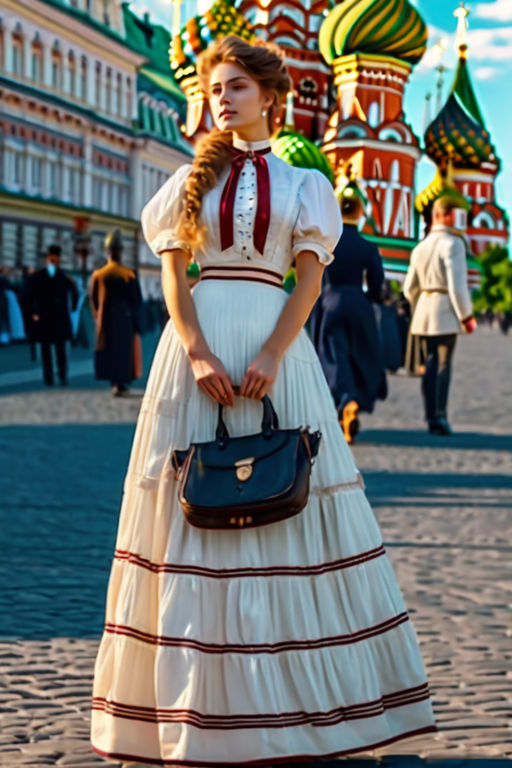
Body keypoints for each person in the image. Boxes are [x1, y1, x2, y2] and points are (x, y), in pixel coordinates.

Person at [90, 35, 435, 767]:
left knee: (289, 507)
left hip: (277, 349)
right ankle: (194, 713)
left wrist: (276, 351)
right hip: (199, 351)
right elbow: (176, 280)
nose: (223, 97)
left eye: (238, 86)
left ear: (271, 97)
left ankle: (286, 711)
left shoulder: (304, 185)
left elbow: (307, 281)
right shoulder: (186, 179)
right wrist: (195, 350)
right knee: (190, 511)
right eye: (218, 87)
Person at [311, 183, 387, 444]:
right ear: (360, 211)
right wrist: (372, 298)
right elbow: (377, 282)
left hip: (330, 301)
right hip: (359, 303)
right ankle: (354, 401)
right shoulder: (368, 247)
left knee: (334, 355)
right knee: (359, 355)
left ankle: (345, 401)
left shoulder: (329, 242)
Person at [403, 195, 476, 435]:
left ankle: (429, 414)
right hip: (444, 309)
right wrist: (466, 315)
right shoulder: (453, 244)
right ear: (443, 215)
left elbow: (408, 288)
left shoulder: (420, 247)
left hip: (423, 310)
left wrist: (419, 304)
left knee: (429, 364)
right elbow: (457, 286)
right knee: (444, 365)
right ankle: (440, 416)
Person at [90, 228, 143, 397]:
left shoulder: (99, 274)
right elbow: (137, 300)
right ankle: (122, 383)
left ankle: (115, 382)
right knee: (124, 352)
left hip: (106, 320)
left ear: (108, 253)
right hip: (125, 320)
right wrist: (137, 323)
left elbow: (93, 299)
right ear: (120, 253)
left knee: (110, 351)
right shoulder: (128, 274)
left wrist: (97, 316)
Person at [26, 245, 78, 386]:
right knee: (46, 351)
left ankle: (62, 374)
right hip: (45, 317)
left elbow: (75, 292)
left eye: (56, 257)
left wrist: (72, 307)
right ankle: (48, 376)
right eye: (51, 257)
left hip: (60, 317)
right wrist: (33, 312)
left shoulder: (64, 276)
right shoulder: (38, 277)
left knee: (61, 350)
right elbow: (28, 296)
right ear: (48, 259)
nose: (54, 260)